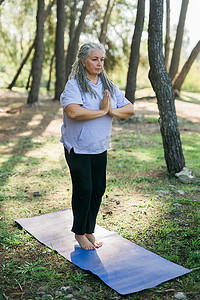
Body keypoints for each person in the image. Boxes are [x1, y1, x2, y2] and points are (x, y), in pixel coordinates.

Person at [60, 42, 134, 250]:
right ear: (83, 61)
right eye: (94, 59)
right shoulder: (74, 84)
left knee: (98, 189)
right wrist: (102, 112)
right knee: (85, 189)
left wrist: (112, 110)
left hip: (99, 147)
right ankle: (79, 233)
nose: (99, 63)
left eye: (102, 59)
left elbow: (130, 109)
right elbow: (73, 111)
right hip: (78, 148)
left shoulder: (108, 85)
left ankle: (89, 230)